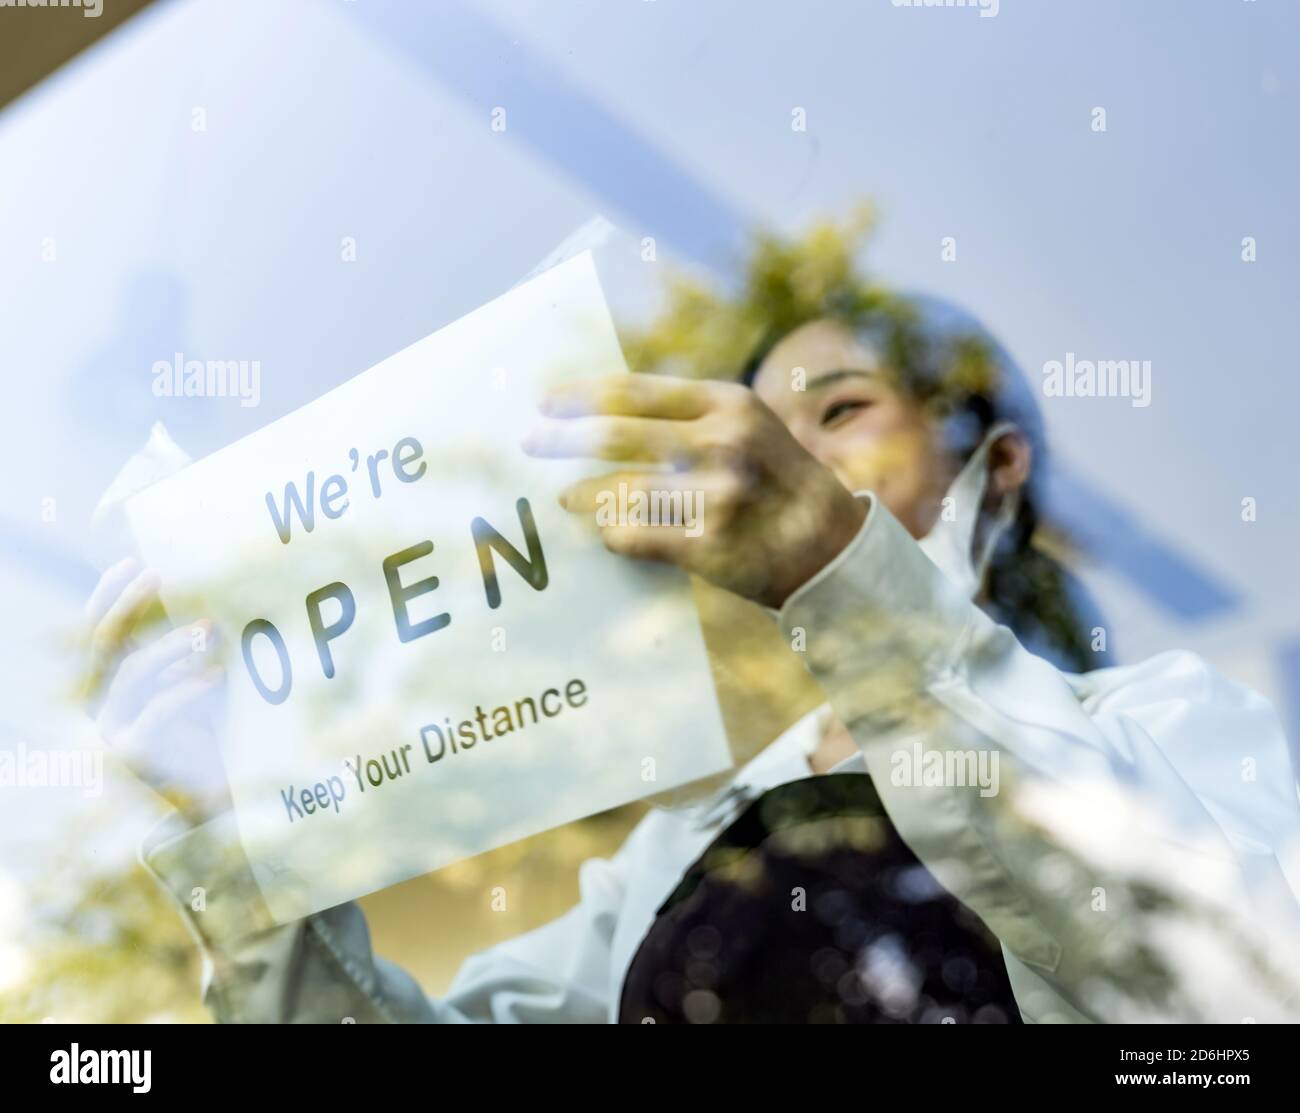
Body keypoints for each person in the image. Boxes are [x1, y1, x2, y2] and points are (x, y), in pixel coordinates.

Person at [85, 295, 1300, 1024]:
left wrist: (846, 577)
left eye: (838, 412)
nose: (781, 456)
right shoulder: (667, 855)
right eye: (757, 427)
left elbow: (1219, 999)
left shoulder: (1172, 724)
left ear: (992, 463)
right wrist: (246, 843)